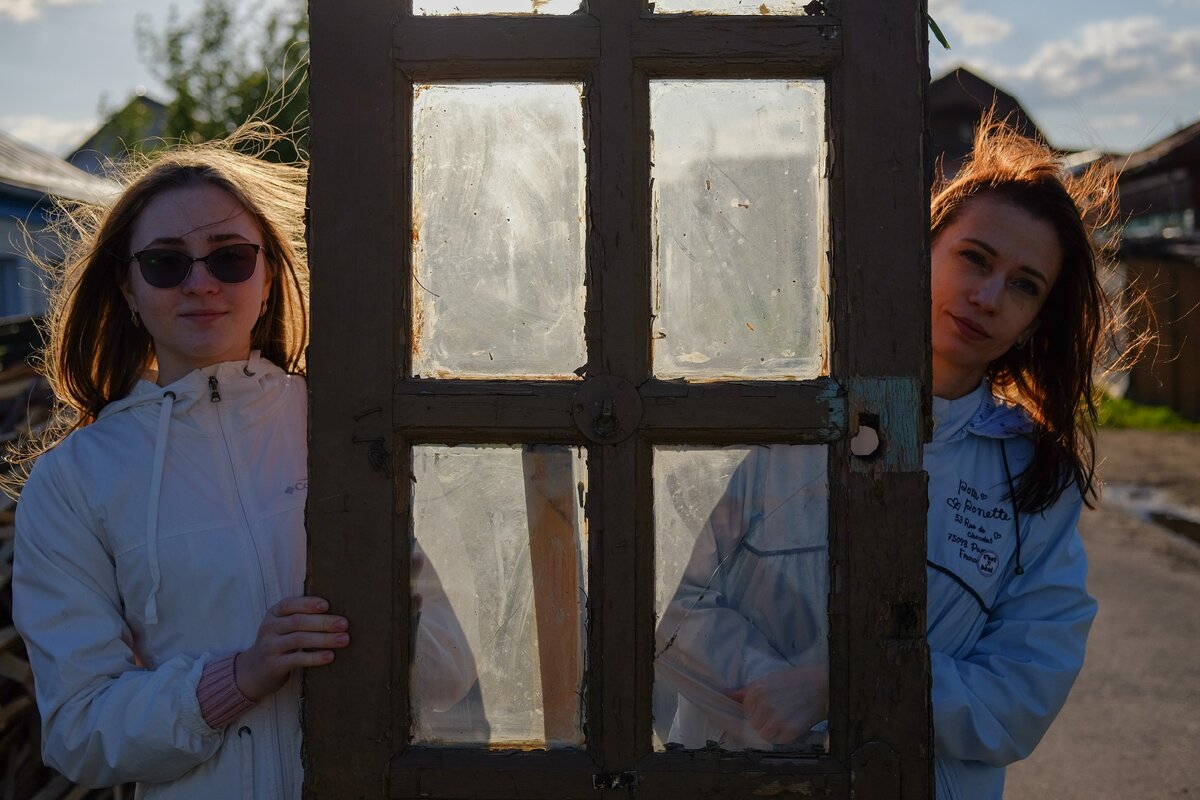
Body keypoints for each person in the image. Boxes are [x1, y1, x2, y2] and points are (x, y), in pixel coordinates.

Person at [656, 114, 1126, 798]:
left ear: (1036, 321)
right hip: (739, 776)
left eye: (1024, 285)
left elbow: (1023, 691)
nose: (988, 297)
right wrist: (771, 685)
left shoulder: (1034, 478)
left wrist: (849, 679)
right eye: (975, 258)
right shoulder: (785, 418)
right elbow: (670, 596)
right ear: (921, 250)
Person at [8, 128, 343, 799]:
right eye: (165, 263)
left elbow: (454, 669)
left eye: (229, 258)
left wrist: (405, 614)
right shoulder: (73, 481)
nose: (200, 283)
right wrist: (237, 678)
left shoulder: (346, 428)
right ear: (129, 289)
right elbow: (78, 731)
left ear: (268, 276)